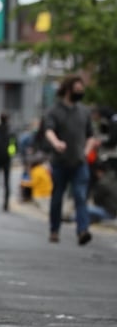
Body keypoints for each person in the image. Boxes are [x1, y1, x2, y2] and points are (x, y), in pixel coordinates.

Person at [43, 74, 99, 245]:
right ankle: (54, 229)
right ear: (68, 89)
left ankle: (82, 230)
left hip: (79, 162)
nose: (80, 92)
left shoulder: (84, 111)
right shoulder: (54, 111)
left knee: (80, 196)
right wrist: (56, 143)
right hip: (60, 162)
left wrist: (87, 149)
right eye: (77, 89)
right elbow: (48, 130)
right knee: (57, 197)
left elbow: (91, 136)